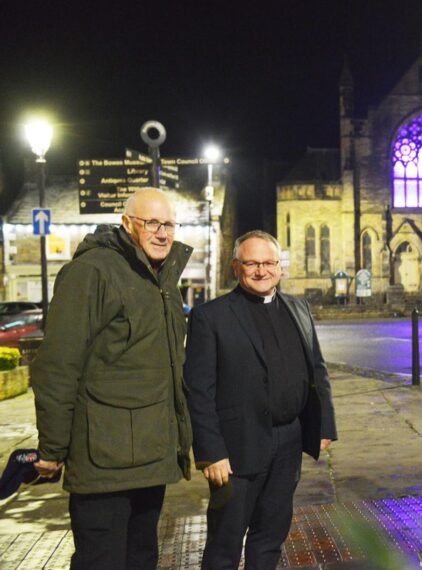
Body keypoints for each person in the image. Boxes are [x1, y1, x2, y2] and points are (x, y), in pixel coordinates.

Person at [31, 188, 193, 569]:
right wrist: (52, 448)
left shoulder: (160, 277)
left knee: (141, 558)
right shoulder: (93, 271)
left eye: (168, 224)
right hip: (103, 460)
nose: (162, 233)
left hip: (150, 455)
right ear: (127, 224)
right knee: (102, 560)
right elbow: (57, 365)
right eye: (151, 223)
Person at [184, 230, 337, 569]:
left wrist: (323, 425)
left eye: (269, 263)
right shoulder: (211, 316)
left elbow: (317, 371)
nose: (261, 270)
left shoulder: (298, 308)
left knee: (270, 538)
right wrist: (210, 453)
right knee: (224, 544)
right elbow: (198, 390)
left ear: (280, 267)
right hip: (236, 449)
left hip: (288, 442)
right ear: (236, 267)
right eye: (252, 263)